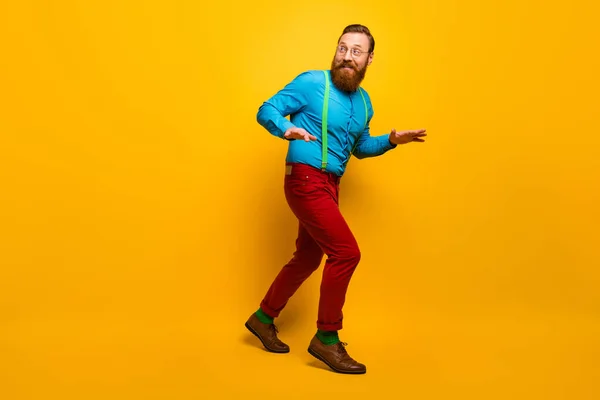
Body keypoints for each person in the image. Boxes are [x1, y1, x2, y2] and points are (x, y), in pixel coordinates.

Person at [245, 24, 427, 374]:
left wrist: (390, 140)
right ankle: (326, 339)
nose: (347, 56)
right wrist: (285, 128)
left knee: (308, 257)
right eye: (343, 48)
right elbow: (266, 109)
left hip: (331, 185)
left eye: (356, 51)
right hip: (305, 179)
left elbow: (360, 148)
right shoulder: (312, 82)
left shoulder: (364, 102)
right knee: (346, 253)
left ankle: (263, 317)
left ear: (369, 59)